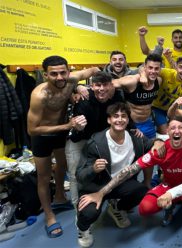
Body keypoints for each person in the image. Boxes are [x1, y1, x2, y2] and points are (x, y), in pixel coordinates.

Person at [77, 116, 182, 231]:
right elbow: (130, 170)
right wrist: (101, 193)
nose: (177, 131)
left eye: (180, 127)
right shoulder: (161, 150)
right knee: (145, 208)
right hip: (170, 188)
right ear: (168, 132)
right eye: (173, 128)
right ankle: (169, 208)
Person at [27, 55, 99, 238]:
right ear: (45, 75)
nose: (59, 77)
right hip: (42, 136)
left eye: (63, 72)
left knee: (61, 167)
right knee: (43, 176)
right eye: (54, 74)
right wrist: (67, 126)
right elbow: (32, 129)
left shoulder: (71, 80)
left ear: (68, 71)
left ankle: (60, 197)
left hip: (60, 134)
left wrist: (81, 86)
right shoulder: (39, 95)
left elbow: (95, 70)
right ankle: (49, 215)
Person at [76, 103, 164, 247]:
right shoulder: (96, 143)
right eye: (115, 116)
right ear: (109, 120)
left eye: (124, 116)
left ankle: (116, 207)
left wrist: (158, 141)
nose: (120, 120)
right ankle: (82, 229)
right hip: (96, 186)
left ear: (128, 120)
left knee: (142, 191)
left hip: (119, 183)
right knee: (89, 213)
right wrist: (93, 169)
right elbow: (79, 174)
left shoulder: (135, 138)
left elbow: (150, 143)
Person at [66, 71, 125, 207]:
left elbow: (123, 115)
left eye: (105, 85)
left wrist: (133, 128)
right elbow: (76, 130)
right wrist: (79, 127)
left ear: (111, 86)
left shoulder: (117, 97)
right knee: (76, 176)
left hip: (102, 140)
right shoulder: (83, 99)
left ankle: (114, 205)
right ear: (92, 86)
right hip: (80, 139)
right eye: (98, 85)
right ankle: (79, 211)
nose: (102, 89)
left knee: (110, 171)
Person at [112, 54, 162, 138]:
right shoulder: (132, 81)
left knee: (153, 148)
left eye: (156, 68)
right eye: (150, 68)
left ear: (160, 69)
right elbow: (109, 83)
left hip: (148, 123)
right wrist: (81, 87)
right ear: (145, 67)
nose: (153, 71)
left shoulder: (159, 81)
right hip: (132, 125)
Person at [152, 56, 182, 134]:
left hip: (172, 109)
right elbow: (149, 71)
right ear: (176, 67)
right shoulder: (166, 72)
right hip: (157, 107)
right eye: (181, 67)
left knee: (180, 127)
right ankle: (155, 123)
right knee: (165, 132)